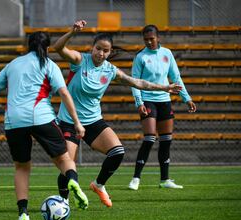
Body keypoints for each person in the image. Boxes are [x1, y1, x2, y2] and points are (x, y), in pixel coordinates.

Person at [52, 20, 182, 208]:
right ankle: (63, 202)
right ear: (92, 47)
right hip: (68, 121)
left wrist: (164, 87)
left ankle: (98, 184)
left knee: (117, 152)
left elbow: (139, 83)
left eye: (105, 51)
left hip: (93, 121)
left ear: (110, 52)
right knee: (67, 164)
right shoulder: (80, 61)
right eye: (98, 49)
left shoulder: (110, 70)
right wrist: (72, 31)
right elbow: (58, 47)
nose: (101, 53)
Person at [0, 31, 89, 220]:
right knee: (64, 159)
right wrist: (77, 122)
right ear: (47, 48)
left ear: (27, 46)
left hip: (14, 121)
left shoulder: (12, 64)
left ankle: (23, 214)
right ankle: (72, 180)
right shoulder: (48, 64)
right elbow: (64, 93)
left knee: (22, 167)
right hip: (41, 117)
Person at [128, 25, 197, 191]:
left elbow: (175, 77)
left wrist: (187, 98)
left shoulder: (167, 53)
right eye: (146, 39)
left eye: (152, 38)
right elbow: (134, 82)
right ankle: (136, 178)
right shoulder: (140, 57)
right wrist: (139, 103)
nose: (149, 42)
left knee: (166, 140)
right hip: (147, 100)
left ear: (158, 38)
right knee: (150, 138)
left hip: (164, 100)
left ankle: (165, 179)